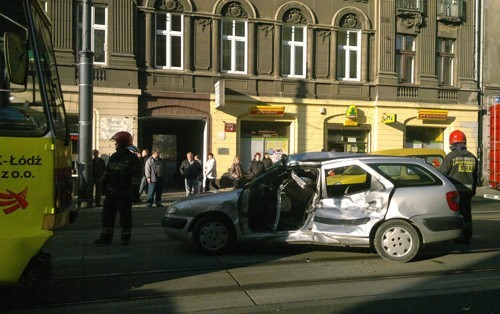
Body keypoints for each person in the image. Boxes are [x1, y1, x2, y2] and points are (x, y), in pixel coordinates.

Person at [94, 131, 141, 246]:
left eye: (116, 142)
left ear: (121, 142)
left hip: (124, 194)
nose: (115, 144)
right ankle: (105, 237)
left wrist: (135, 194)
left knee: (125, 217)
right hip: (112, 192)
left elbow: (136, 178)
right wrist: (103, 186)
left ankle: (125, 238)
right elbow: (107, 173)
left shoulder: (133, 158)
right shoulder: (114, 156)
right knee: (107, 215)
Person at [439, 130, 478, 244]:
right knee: (466, 214)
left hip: (454, 192)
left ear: (452, 143)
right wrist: (473, 191)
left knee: (455, 214)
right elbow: (476, 176)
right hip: (468, 191)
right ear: (464, 142)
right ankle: (467, 236)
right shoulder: (472, 157)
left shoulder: (451, 156)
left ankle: (456, 235)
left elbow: (442, 173)